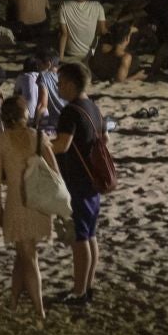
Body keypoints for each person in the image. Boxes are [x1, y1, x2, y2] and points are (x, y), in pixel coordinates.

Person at [0, 94, 57, 323]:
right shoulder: (39, 136)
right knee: (23, 253)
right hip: (37, 201)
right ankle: (14, 302)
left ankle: (40, 310)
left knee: (28, 255)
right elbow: (55, 173)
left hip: (17, 202)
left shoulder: (2, 140)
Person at [49, 61, 107, 306]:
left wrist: (41, 145)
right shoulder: (92, 107)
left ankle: (79, 292)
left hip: (77, 181)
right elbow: (104, 137)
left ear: (71, 84)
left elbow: (62, 145)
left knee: (80, 238)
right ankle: (87, 287)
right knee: (90, 235)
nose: (59, 87)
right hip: (93, 179)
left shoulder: (71, 111)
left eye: (61, 83)